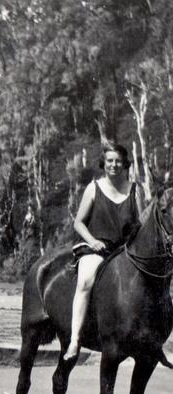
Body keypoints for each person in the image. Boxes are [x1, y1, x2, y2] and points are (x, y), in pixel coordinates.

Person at [63, 143, 142, 361]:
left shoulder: (135, 190)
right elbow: (79, 223)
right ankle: (75, 340)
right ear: (104, 163)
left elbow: (142, 225)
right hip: (96, 247)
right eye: (109, 161)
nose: (114, 165)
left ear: (124, 163)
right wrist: (93, 241)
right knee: (86, 280)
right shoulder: (93, 188)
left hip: (125, 251)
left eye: (118, 161)